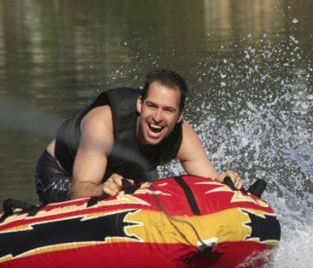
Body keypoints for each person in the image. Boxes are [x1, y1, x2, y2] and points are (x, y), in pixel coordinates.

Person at [35, 68, 242, 204]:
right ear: (140, 104)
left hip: (123, 175)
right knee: (108, 198)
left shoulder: (183, 138)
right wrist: (103, 188)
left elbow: (212, 183)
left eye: (168, 110)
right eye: (152, 106)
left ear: (179, 116)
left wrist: (225, 181)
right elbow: (79, 190)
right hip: (63, 175)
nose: (157, 118)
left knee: (149, 197)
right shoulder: (103, 123)